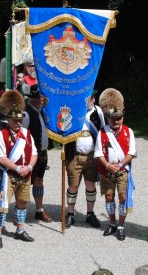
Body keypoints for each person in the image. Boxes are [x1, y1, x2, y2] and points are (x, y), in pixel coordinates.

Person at [0, 90, 38, 249]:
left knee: (22, 202)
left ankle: (20, 229)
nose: (18, 123)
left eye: (20, 120)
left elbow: (34, 153)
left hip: (26, 174)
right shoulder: (2, 134)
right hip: (9, 175)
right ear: (8, 119)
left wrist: (29, 167)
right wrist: (18, 168)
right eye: (15, 120)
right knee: (3, 205)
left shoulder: (27, 133)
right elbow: (1, 158)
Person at [94, 88, 137, 241]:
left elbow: (131, 153)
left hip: (122, 170)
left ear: (122, 117)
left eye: (119, 118)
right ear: (108, 118)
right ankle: (111, 223)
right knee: (109, 197)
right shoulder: (102, 132)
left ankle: (120, 226)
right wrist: (107, 166)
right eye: (113, 119)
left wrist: (120, 165)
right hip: (107, 171)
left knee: (123, 197)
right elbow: (98, 153)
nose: (116, 121)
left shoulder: (129, 131)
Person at [64, 90, 105, 229]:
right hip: (74, 155)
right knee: (73, 185)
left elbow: (103, 131)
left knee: (90, 185)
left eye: (91, 98)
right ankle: (70, 213)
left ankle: (90, 214)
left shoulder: (98, 112)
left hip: (92, 156)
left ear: (94, 99)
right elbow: (64, 128)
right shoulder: (74, 110)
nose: (90, 100)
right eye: (87, 98)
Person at [21, 84, 53, 223]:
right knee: (25, 182)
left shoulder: (41, 111)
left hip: (42, 153)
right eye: (41, 97)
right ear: (36, 98)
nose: (44, 100)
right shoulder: (27, 113)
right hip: (31, 155)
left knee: (39, 181)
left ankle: (39, 210)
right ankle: (20, 212)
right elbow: (21, 135)